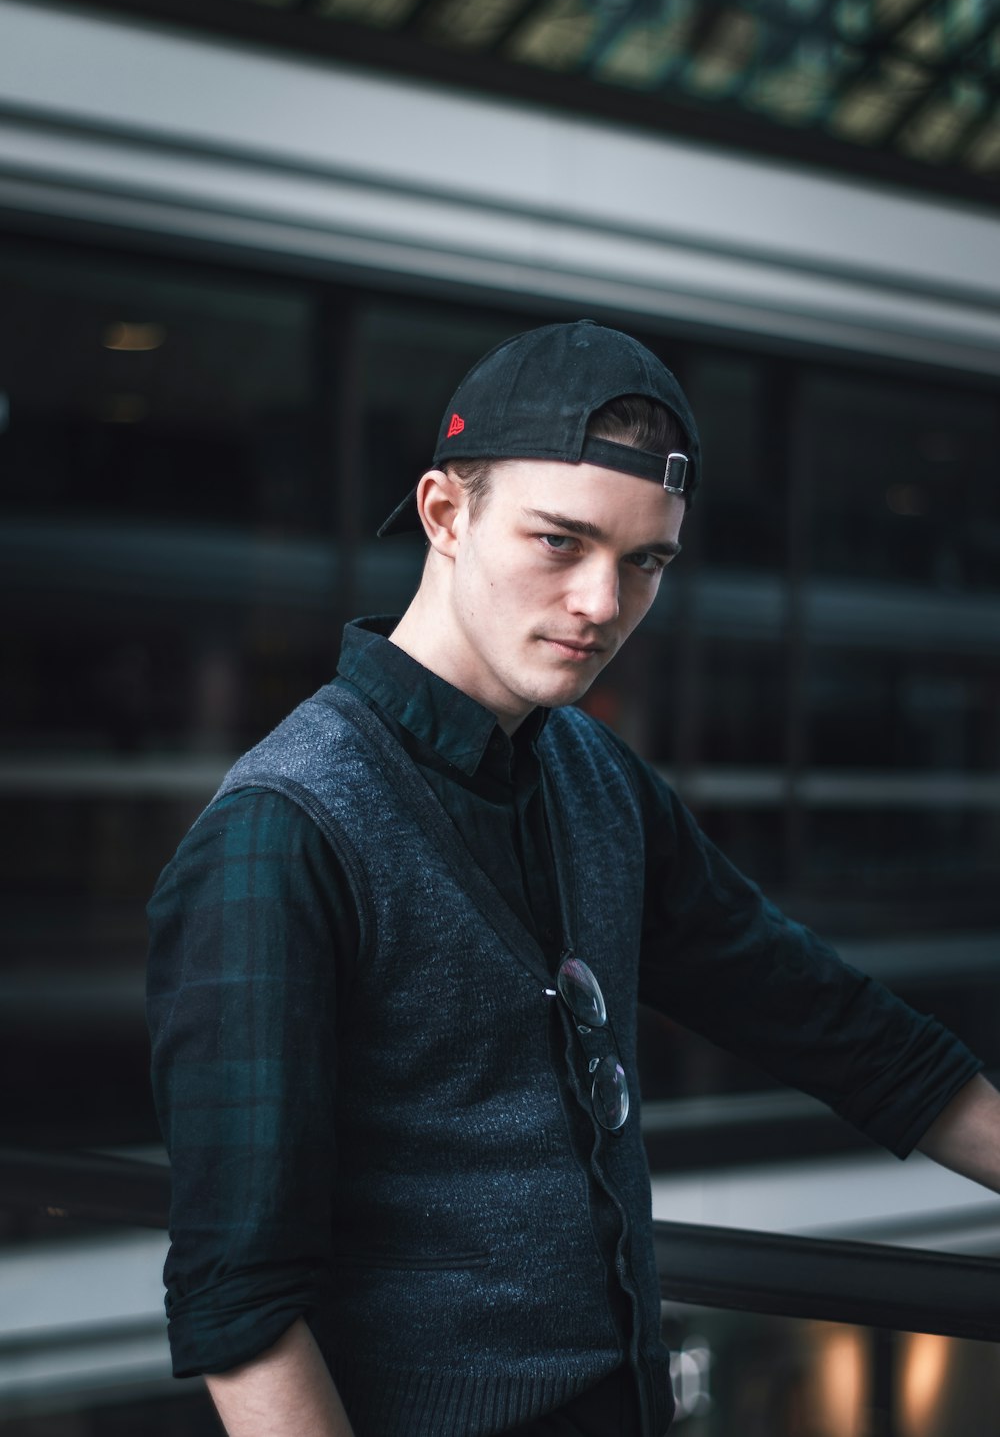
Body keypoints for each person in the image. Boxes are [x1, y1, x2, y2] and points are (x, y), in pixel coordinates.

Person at [147, 320, 1000, 1437]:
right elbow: (240, 1306)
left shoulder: (588, 772)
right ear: (446, 515)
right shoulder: (281, 832)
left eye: (645, 560)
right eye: (561, 541)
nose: (604, 603)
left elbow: (827, 1022)